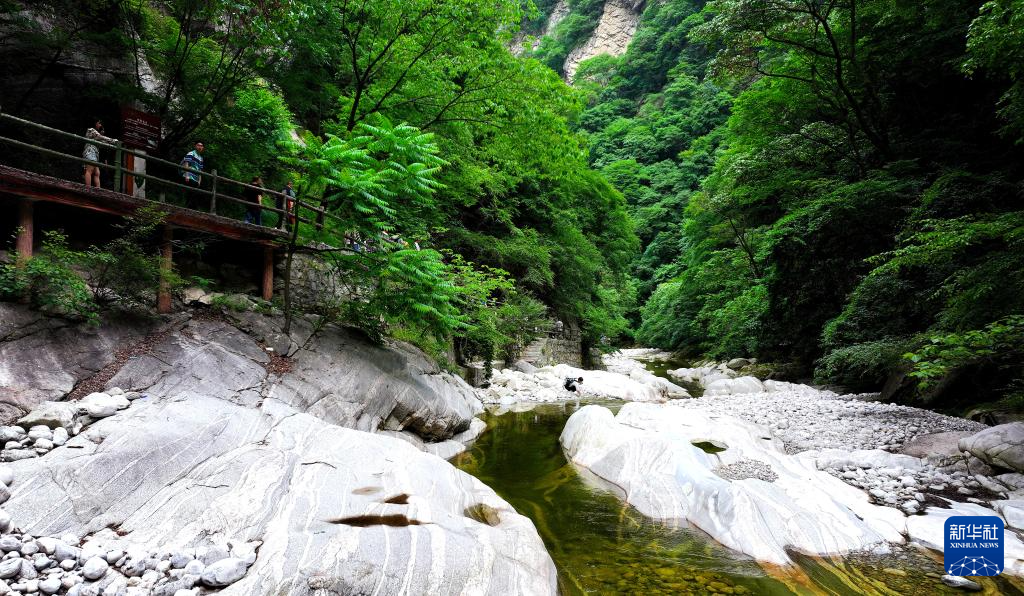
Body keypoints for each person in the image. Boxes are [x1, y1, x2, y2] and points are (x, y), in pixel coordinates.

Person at [82, 120, 117, 189]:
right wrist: (113, 140)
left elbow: (104, 141)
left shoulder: (98, 136)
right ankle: (88, 188)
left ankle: (98, 190)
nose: (100, 125)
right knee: (89, 170)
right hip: (90, 152)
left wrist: (112, 142)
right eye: (99, 123)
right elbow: (100, 137)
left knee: (97, 173)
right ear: (95, 124)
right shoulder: (91, 130)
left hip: (95, 155)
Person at [180, 142, 205, 210]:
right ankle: (189, 208)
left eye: (201, 146)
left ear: (203, 148)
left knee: (194, 193)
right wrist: (187, 175)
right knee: (190, 192)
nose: (200, 147)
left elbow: (200, 170)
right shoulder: (191, 153)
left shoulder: (201, 158)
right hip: (189, 175)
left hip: (196, 177)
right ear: (195, 146)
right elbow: (186, 163)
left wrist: (199, 180)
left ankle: (191, 208)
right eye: (198, 145)